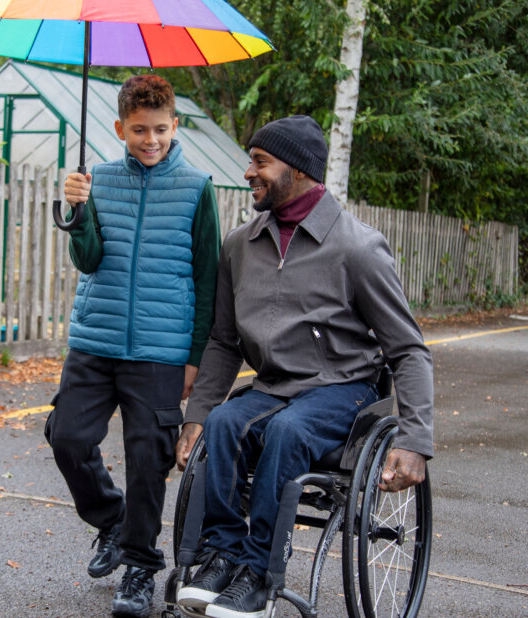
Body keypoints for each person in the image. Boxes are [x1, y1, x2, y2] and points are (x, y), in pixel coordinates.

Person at [173, 115, 434, 618]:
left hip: (344, 387)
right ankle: (221, 554)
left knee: (289, 432)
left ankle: (259, 574)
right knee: (225, 423)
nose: (249, 171)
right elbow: (224, 342)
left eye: (260, 161)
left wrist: (415, 440)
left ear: (298, 169)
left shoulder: (357, 248)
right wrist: (196, 416)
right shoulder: (240, 245)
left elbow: (407, 350)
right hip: (274, 385)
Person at [44, 75, 221, 618]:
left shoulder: (197, 186)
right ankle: (113, 523)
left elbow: (209, 278)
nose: (151, 139)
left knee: (150, 459)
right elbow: (89, 259)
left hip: (161, 351)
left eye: (161, 129)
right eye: (139, 130)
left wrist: (195, 358)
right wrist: (78, 214)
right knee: (67, 436)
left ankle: (141, 567)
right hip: (95, 340)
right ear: (120, 128)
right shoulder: (94, 179)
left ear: (175, 125)